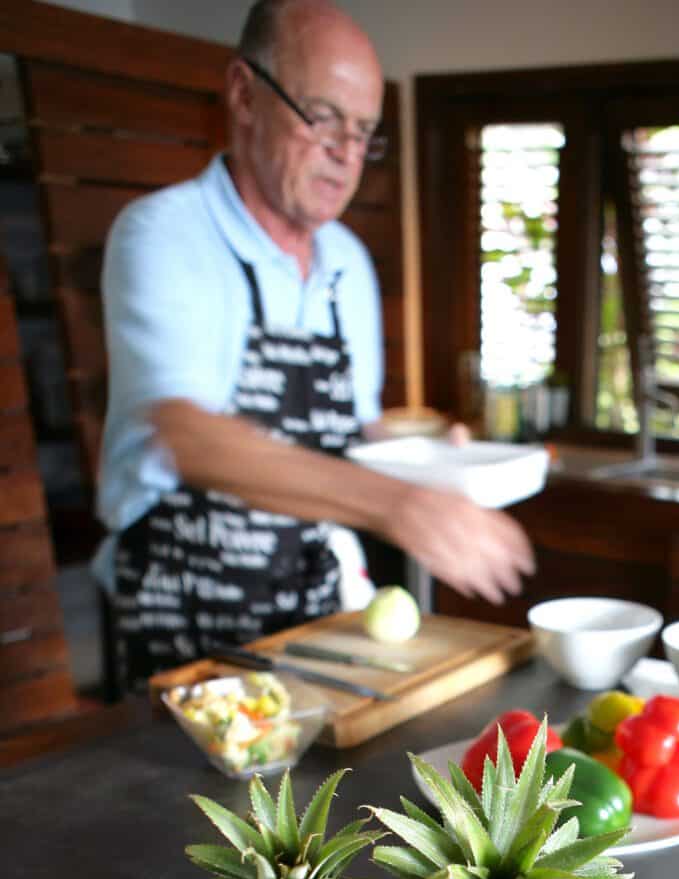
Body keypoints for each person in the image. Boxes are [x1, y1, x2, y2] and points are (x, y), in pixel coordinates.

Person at [97, 0, 533, 689]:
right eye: (323, 116)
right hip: (187, 623)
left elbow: (348, 435)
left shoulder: (347, 264)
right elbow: (188, 437)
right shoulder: (164, 235)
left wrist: (426, 468)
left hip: (317, 619)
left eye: (364, 131)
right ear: (243, 93)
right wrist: (401, 507)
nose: (346, 153)